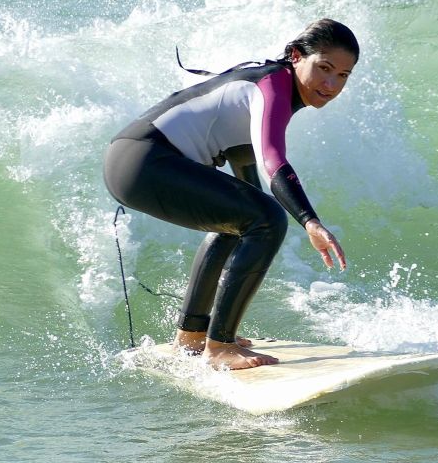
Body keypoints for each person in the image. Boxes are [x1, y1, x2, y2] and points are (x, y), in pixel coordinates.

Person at [103, 19, 357, 369]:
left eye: (343, 76)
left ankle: (192, 335)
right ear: (297, 56)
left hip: (134, 159)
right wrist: (310, 222)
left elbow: (248, 177)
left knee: (245, 219)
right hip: (144, 159)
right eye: (324, 68)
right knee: (267, 219)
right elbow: (273, 163)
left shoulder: (270, 86)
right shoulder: (273, 88)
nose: (331, 84)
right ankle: (219, 347)